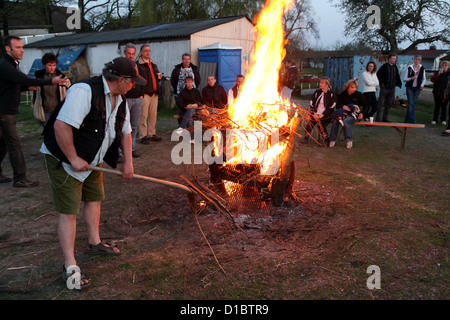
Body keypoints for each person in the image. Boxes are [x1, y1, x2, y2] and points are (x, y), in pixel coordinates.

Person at [40, 57, 146, 290]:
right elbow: (61, 126)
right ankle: (69, 266)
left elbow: (125, 132)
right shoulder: (84, 91)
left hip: (91, 160)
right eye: (132, 82)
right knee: (69, 211)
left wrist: (128, 162)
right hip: (64, 160)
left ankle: (94, 242)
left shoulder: (120, 100)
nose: (134, 86)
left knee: (94, 199)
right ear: (121, 80)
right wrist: (73, 158)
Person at [0, 35, 67, 187]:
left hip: (6, 110)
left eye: (22, 47)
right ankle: (20, 178)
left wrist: (25, 87)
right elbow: (24, 79)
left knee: (4, 143)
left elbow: (12, 85)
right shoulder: (6, 65)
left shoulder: (11, 64)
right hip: (4, 112)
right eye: (18, 47)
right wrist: (50, 81)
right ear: (7, 49)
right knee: (14, 144)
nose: (22, 50)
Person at [119, 43, 144, 160]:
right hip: (126, 99)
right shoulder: (121, 65)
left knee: (134, 126)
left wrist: (141, 95)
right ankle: (119, 151)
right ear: (125, 53)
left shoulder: (137, 65)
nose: (131, 56)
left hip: (137, 98)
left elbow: (142, 80)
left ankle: (131, 148)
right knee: (122, 125)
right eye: (129, 53)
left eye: (133, 54)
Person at [33, 52, 71, 127]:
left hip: (59, 110)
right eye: (49, 65)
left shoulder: (62, 78)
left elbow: (70, 91)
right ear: (44, 65)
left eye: (54, 65)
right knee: (47, 132)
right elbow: (34, 93)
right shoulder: (39, 78)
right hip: (45, 110)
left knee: (57, 132)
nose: (52, 68)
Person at [329, 78, 366, 149]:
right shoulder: (343, 94)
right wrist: (343, 106)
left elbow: (366, 105)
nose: (353, 89)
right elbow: (338, 105)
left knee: (346, 121)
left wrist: (362, 113)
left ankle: (349, 140)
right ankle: (332, 140)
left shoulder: (359, 95)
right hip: (344, 114)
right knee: (335, 121)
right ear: (347, 87)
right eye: (351, 87)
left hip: (355, 115)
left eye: (355, 88)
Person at [301, 77, 337, 147]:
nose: (320, 84)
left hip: (326, 115)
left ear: (327, 84)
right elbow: (312, 103)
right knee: (310, 122)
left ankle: (326, 139)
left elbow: (332, 106)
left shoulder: (332, 94)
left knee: (320, 124)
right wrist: (314, 113)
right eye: (320, 83)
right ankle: (306, 137)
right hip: (316, 113)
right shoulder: (317, 92)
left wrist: (323, 114)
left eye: (322, 83)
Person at [138, 44, 161, 144]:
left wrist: (159, 77)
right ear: (141, 52)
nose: (148, 52)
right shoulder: (139, 64)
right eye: (145, 51)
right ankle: (142, 136)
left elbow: (156, 75)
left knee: (153, 114)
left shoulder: (153, 63)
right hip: (145, 93)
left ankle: (152, 133)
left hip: (154, 92)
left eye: (149, 51)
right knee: (143, 115)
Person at [376, 53, 402, 122]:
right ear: (389, 59)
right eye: (393, 58)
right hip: (385, 88)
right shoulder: (384, 66)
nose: (395, 60)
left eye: (395, 58)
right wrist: (381, 83)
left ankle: (385, 118)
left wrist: (397, 84)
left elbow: (397, 76)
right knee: (381, 103)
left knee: (388, 103)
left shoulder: (395, 67)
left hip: (392, 88)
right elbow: (378, 74)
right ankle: (378, 118)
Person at [175, 76, 202, 141]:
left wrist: (196, 105)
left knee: (191, 110)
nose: (189, 84)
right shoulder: (182, 92)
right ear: (185, 83)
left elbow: (200, 102)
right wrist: (186, 106)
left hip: (195, 110)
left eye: (190, 82)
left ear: (192, 83)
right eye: (187, 82)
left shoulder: (196, 91)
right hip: (185, 110)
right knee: (190, 118)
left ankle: (181, 127)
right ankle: (192, 138)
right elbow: (179, 103)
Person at [403, 55, 426, 124]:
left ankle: (406, 119)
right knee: (410, 103)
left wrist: (422, 85)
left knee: (413, 104)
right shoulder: (409, 68)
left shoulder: (422, 68)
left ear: (420, 61)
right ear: (414, 60)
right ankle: (412, 120)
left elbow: (424, 79)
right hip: (410, 87)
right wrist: (410, 78)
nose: (417, 61)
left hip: (417, 88)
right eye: (416, 59)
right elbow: (404, 79)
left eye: (418, 60)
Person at [430, 60, 450, 125]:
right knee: (437, 106)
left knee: (444, 106)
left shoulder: (449, 74)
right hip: (437, 92)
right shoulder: (438, 73)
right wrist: (438, 74)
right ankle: (435, 119)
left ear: (448, 66)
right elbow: (432, 80)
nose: (444, 67)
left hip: (445, 93)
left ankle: (443, 119)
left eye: (445, 65)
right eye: (443, 65)